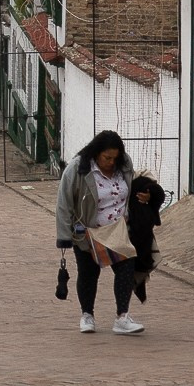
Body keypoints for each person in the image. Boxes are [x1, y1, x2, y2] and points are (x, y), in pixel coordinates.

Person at [56, 130, 143, 335]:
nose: (111, 162)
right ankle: (87, 315)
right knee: (88, 274)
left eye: (115, 158)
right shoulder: (77, 169)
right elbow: (64, 203)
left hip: (118, 231)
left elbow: (131, 187)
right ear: (96, 154)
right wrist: (64, 236)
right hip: (89, 233)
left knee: (126, 270)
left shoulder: (124, 165)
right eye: (107, 158)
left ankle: (122, 317)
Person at [128, 172, 166, 304]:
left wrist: (151, 197)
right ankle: (87, 313)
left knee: (125, 273)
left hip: (133, 232)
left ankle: (122, 313)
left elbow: (158, 193)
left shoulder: (138, 179)